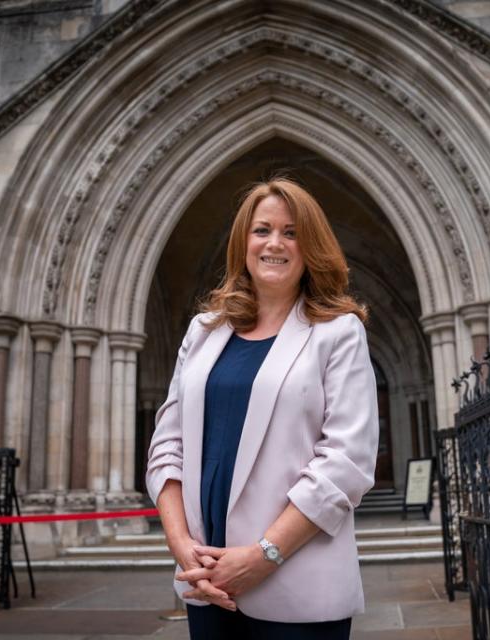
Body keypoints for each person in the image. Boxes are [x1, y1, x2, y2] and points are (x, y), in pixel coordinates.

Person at [145, 178, 379, 639]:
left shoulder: (338, 332)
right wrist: (181, 546)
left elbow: (346, 462)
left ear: (311, 247)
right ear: (243, 243)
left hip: (296, 582)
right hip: (206, 578)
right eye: (262, 230)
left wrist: (262, 556)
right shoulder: (203, 331)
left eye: (292, 233)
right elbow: (167, 445)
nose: (275, 243)